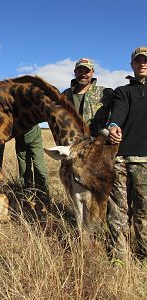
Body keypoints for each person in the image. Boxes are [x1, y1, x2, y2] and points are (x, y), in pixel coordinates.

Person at [107, 46, 147, 264]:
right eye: (138, 60)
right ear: (132, 64)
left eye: (146, 60)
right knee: (118, 212)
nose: (142, 63)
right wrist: (113, 126)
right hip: (121, 160)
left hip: (146, 162)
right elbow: (118, 113)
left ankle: (144, 256)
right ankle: (119, 256)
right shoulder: (123, 91)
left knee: (144, 211)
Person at [62, 58, 113, 136]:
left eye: (87, 71)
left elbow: (113, 118)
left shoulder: (104, 93)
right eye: (80, 71)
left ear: (92, 72)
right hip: (71, 143)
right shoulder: (64, 95)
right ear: (75, 72)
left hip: (97, 143)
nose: (83, 74)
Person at [15, 124, 49, 194]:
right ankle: (37, 194)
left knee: (32, 166)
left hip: (26, 135)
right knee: (34, 166)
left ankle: (32, 192)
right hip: (25, 137)